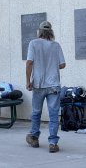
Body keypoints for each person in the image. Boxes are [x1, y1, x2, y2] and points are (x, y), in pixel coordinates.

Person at [25, 20, 66, 153]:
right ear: (51, 32)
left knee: (36, 112)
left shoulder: (33, 43)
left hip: (38, 84)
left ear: (39, 31)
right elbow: (62, 65)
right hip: (53, 84)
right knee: (54, 115)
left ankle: (34, 138)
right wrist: (51, 63)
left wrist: (28, 81)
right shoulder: (56, 45)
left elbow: (29, 63)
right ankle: (53, 143)